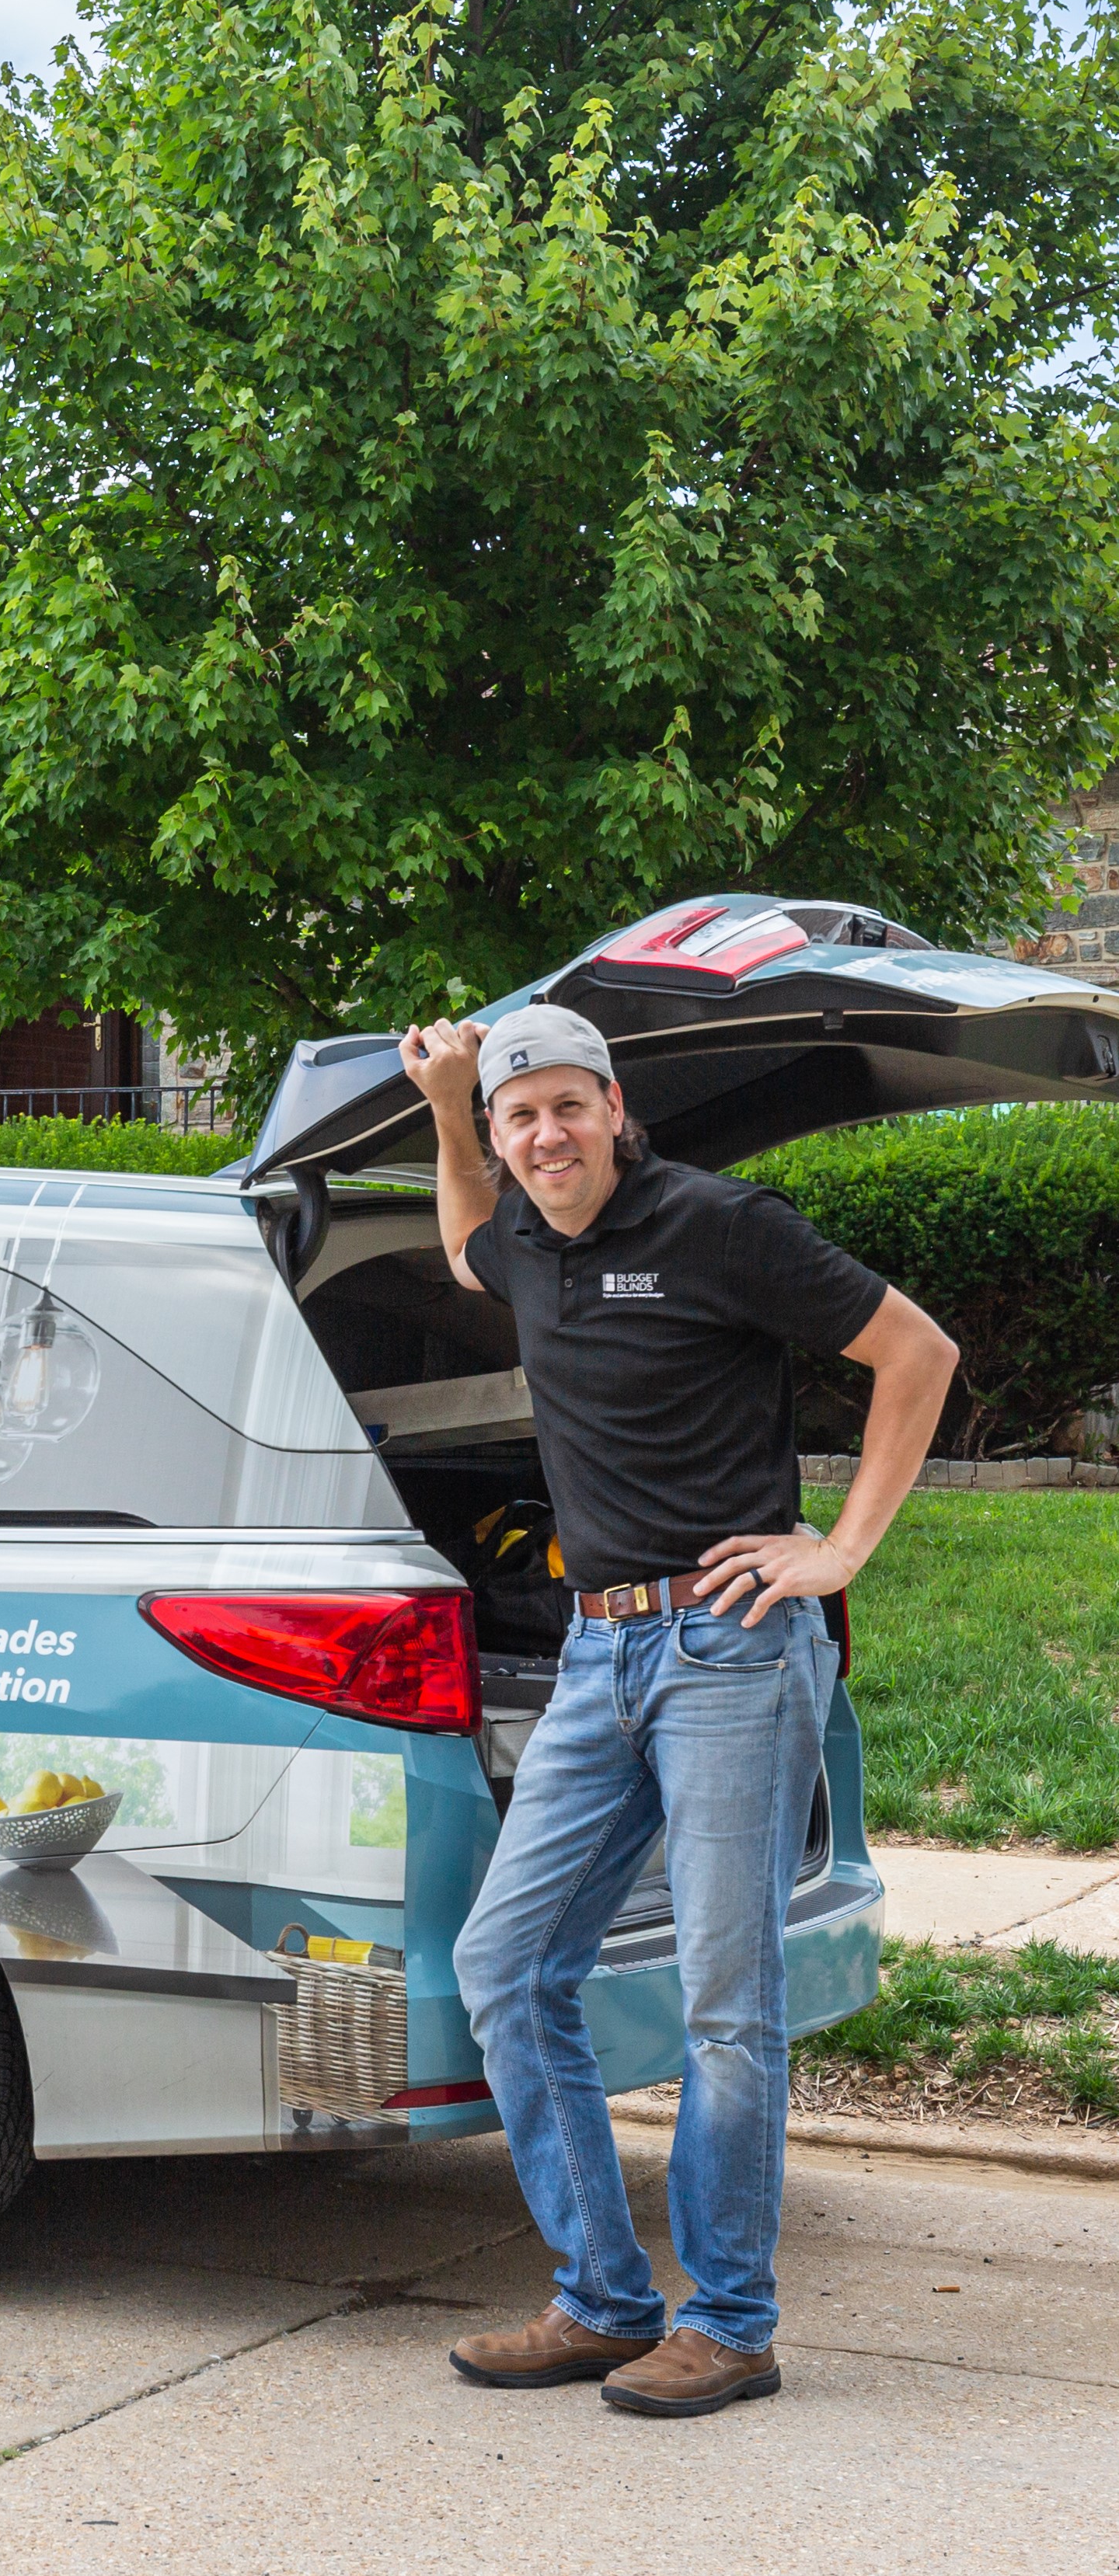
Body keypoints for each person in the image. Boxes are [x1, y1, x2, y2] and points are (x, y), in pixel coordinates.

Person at [399, 1003, 957, 2417]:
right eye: (523, 1119)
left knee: (726, 2007)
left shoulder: (719, 1226)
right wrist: (452, 1105)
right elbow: (468, 1241)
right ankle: (600, 2299)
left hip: (729, 1653)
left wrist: (838, 1548)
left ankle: (730, 2322)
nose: (545, 1137)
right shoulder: (522, 1230)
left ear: (615, 1106)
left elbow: (919, 1355)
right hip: (600, 1657)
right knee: (509, 1969)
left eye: (565, 1108)